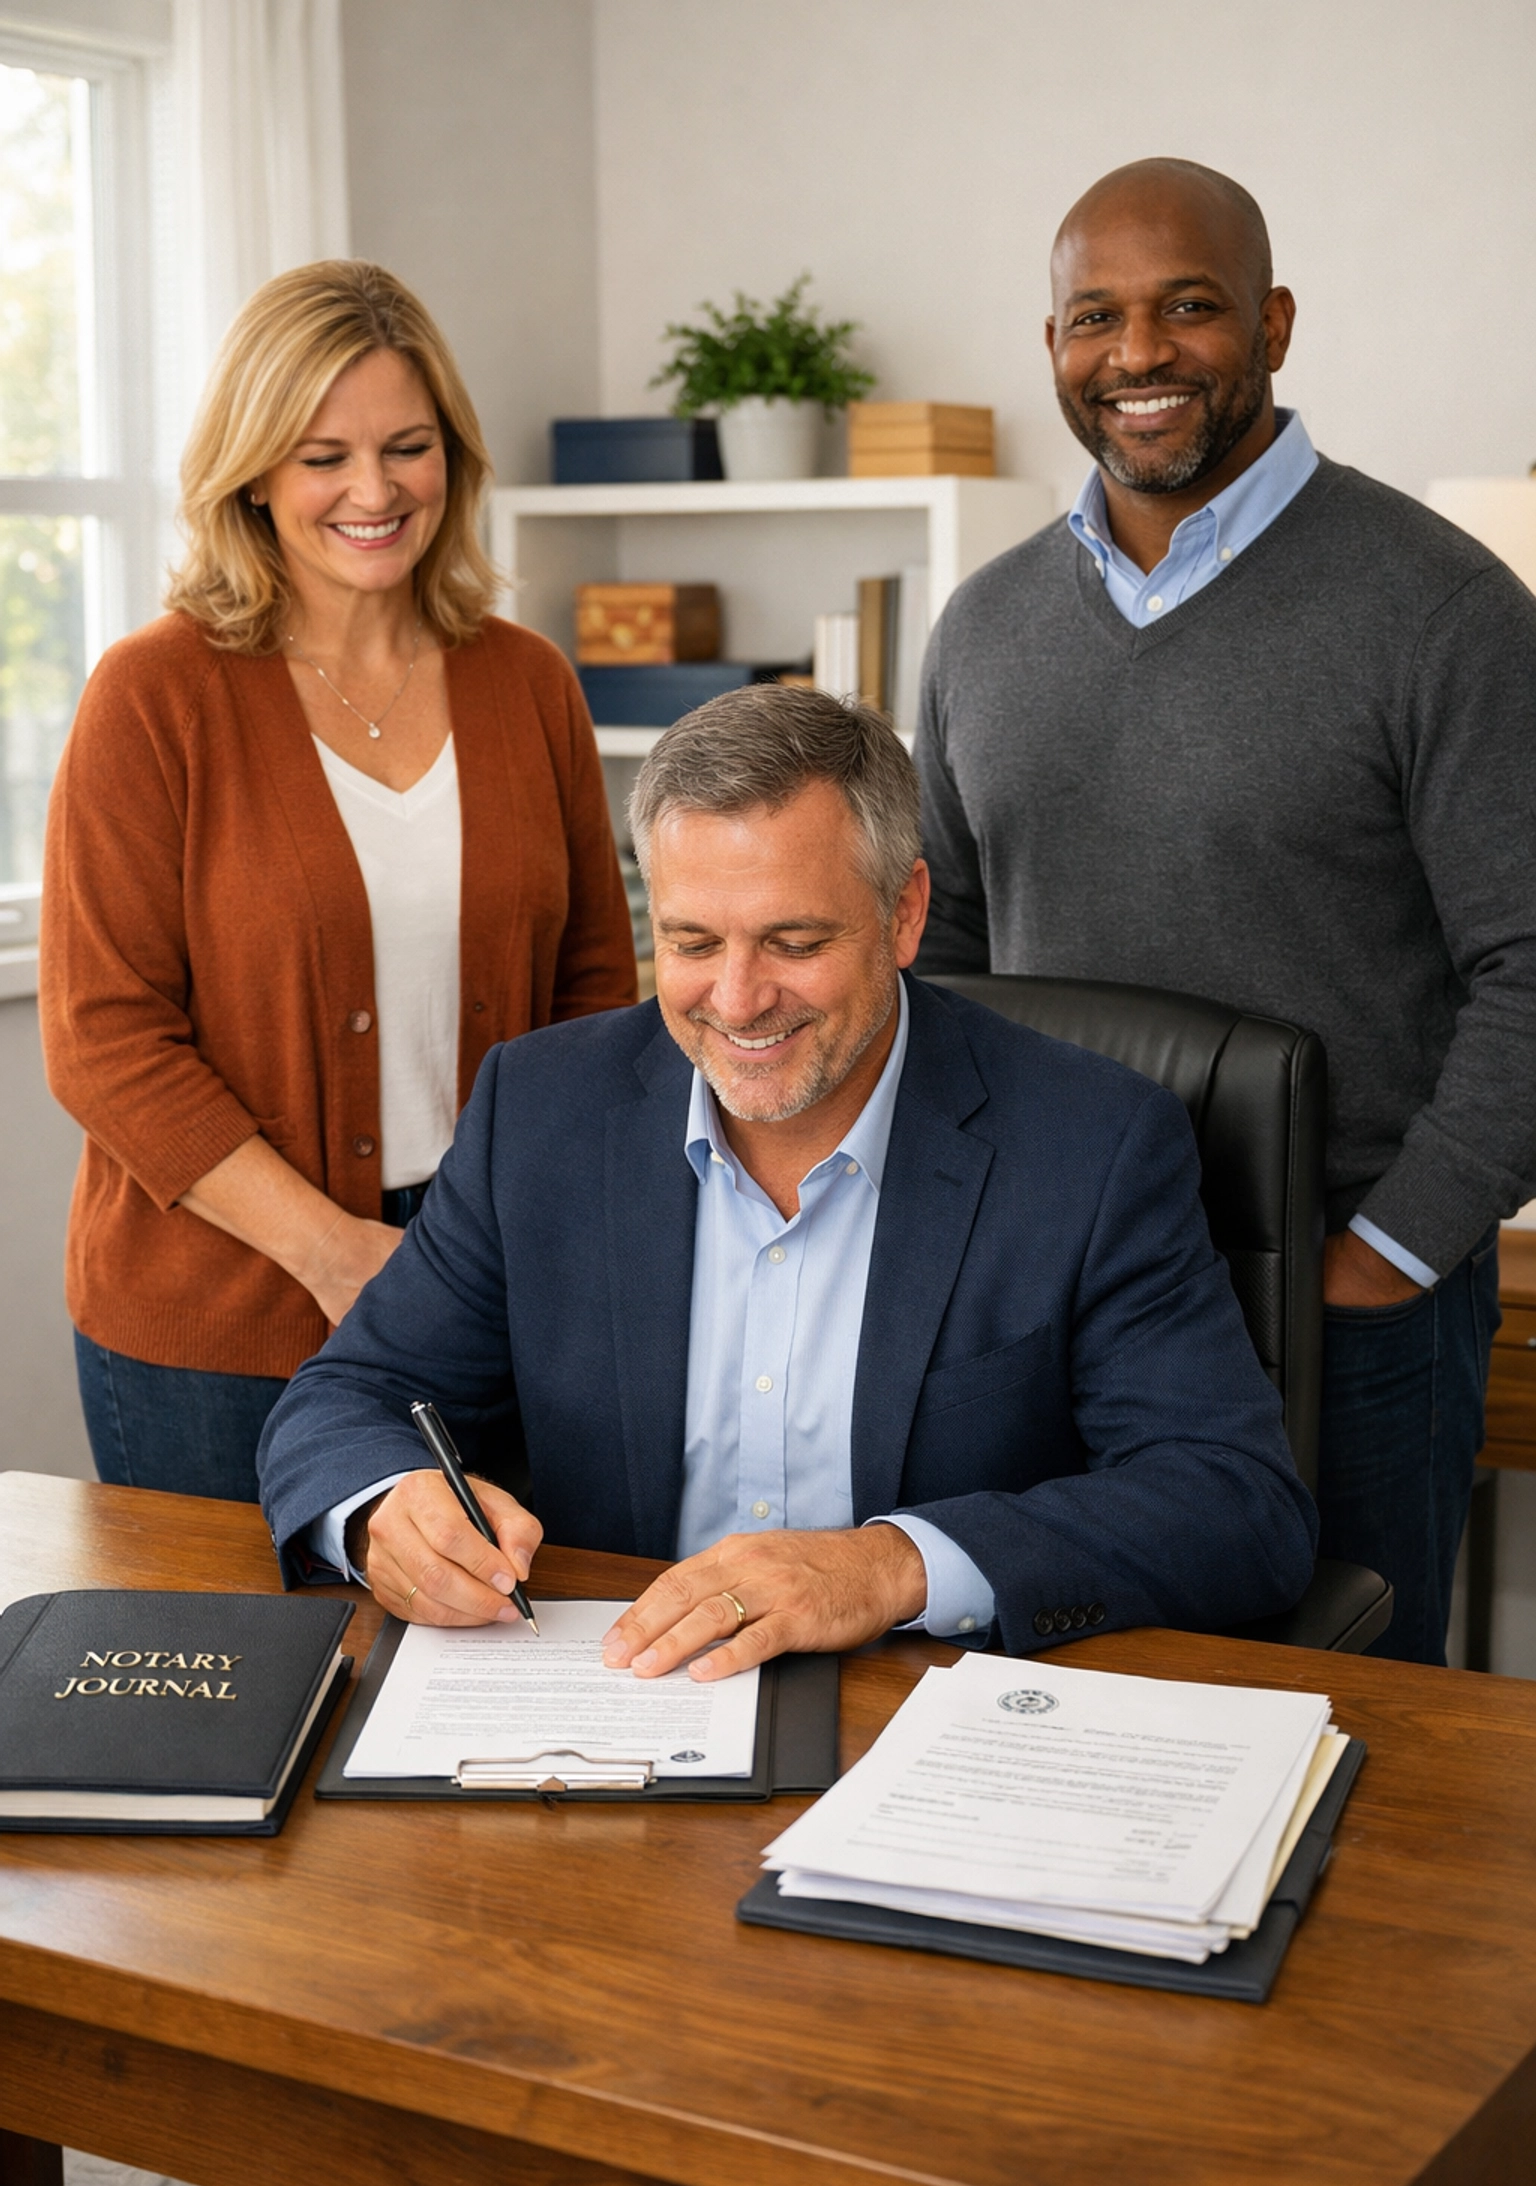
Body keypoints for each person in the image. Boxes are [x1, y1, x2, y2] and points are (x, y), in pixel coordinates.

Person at [257, 685, 1315, 1672]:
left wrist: (894, 1566)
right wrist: (382, 1507)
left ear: (904, 916)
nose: (737, 998)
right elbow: (348, 1396)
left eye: (794, 941)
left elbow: (1234, 1505)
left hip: (927, 1708)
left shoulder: (1093, 1140)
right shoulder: (542, 1111)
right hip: (618, 1701)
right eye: (691, 941)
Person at [915, 157, 1536, 1665]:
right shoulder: (982, 626)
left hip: (1348, 1305)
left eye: (1188, 307)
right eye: (1093, 318)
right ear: (1052, 344)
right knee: (1055, 1717)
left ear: (1272, 321)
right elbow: (940, 958)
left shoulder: (1445, 614)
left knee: (1348, 1741)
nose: (1137, 355)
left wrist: (1382, 1263)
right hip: (1045, 1298)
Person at [40, 260, 636, 1505]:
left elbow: (592, 986)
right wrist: (333, 1251)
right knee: (242, 1687)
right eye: (323, 456)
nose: (374, 492)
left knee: (485, 1670)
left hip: (492, 1287)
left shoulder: (530, 683)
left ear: (453, 460)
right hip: (218, 1316)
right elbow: (103, 1039)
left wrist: (536, 1244)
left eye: (408, 448)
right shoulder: (155, 696)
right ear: (253, 470)